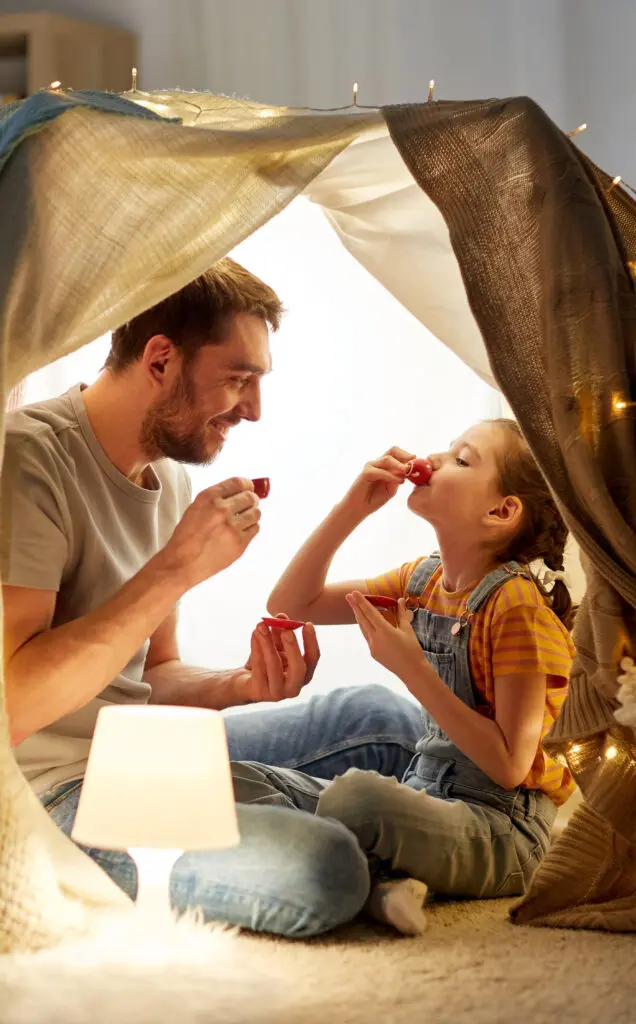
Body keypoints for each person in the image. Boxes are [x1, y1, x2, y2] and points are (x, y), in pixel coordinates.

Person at [1, 257, 422, 938]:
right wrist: (174, 569)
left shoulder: (164, 479)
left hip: (147, 752)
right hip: (58, 794)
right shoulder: (27, 458)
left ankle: (407, 842)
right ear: (161, 359)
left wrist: (240, 684)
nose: (253, 410)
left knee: (382, 721)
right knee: (322, 868)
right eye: (238, 379)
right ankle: (399, 851)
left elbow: (152, 675)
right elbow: (13, 702)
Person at [228, 420, 577, 935]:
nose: (435, 458)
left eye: (462, 458)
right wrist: (354, 508)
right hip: (425, 793)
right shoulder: (424, 579)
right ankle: (385, 881)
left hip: (501, 828)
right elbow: (291, 602)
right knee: (235, 780)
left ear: (501, 512)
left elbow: (509, 764)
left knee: (355, 800)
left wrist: (411, 669)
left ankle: (371, 875)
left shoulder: (517, 609)